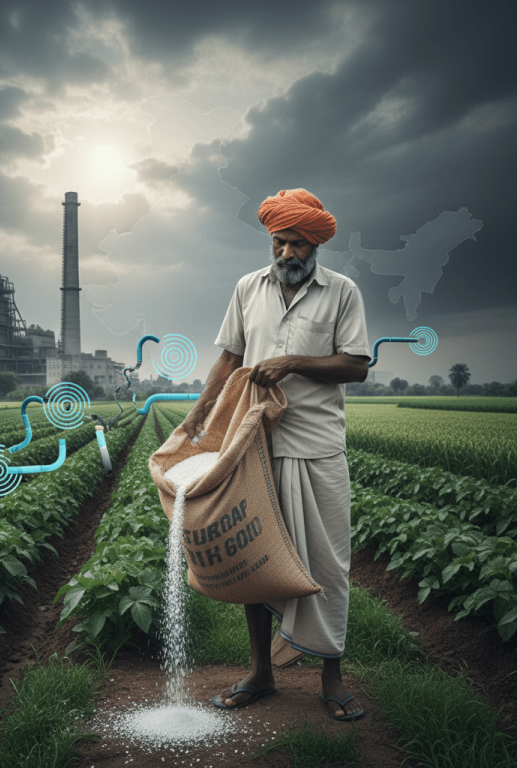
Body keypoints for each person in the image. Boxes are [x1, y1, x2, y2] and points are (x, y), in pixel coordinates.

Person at [182, 188, 371, 722]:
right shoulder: (248, 288)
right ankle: (261, 672)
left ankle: (331, 678)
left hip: (317, 445)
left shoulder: (342, 292)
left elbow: (356, 365)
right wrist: (198, 415)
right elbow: (231, 355)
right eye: (278, 242)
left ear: (314, 245)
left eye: (295, 244)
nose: (285, 253)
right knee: (257, 558)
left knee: (329, 562)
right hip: (255, 443)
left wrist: (293, 361)